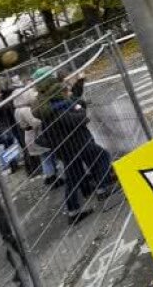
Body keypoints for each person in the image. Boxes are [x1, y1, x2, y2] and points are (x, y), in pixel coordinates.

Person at [35, 76, 116, 224]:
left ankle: (74, 211)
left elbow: (77, 104)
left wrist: (78, 107)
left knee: (74, 177)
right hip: (76, 143)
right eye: (66, 91)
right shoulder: (58, 109)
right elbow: (73, 121)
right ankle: (102, 189)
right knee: (102, 156)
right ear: (60, 93)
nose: (68, 93)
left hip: (67, 147)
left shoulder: (49, 107)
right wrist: (82, 114)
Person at [14, 84, 58, 186]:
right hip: (36, 134)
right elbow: (35, 122)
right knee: (46, 156)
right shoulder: (26, 109)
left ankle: (49, 176)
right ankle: (52, 177)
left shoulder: (17, 109)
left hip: (29, 135)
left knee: (44, 157)